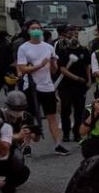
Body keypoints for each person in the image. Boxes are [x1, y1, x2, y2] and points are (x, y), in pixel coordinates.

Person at [17, 24, 68, 155]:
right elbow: (22, 69)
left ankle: (58, 144)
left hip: (47, 86)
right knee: (29, 117)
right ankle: (26, 145)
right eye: (33, 28)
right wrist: (39, 66)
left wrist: (51, 63)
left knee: (52, 116)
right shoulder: (23, 48)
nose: (36, 30)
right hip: (31, 87)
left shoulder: (49, 47)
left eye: (38, 28)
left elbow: (54, 69)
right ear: (28, 31)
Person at [53, 25, 92, 142]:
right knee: (65, 109)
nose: (74, 36)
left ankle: (77, 133)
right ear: (67, 35)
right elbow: (62, 69)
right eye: (71, 34)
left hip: (80, 86)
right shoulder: (63, 50)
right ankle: (66, 133)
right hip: (66, 85)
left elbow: (87, 66)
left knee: (79, 110)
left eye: (76, 34)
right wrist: (77, 78)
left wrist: (89, 80)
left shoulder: (84, 50)